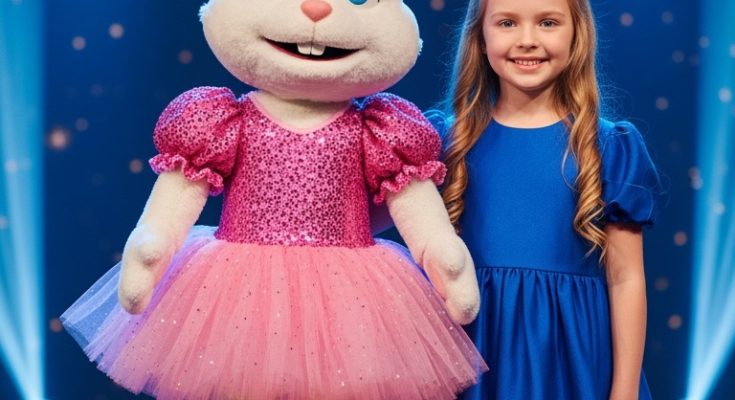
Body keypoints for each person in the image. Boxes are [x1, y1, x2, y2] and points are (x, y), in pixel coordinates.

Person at [431, 0, 664, 398]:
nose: (527, 40)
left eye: (548, 23)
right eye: (507, 23)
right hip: (473, 356)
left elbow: (626, 279)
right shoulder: (444, 143)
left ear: (577, 35)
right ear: (480, 37)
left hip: (574, 366)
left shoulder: (609, 147)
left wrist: (624, 391)